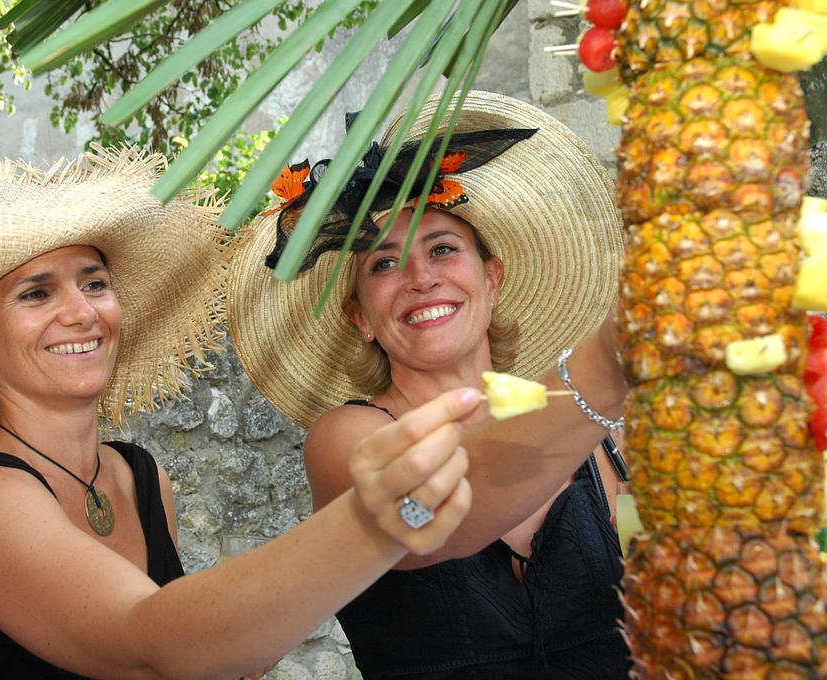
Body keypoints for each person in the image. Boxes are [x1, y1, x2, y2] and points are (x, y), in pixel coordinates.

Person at [0, 144, 478, 679]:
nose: (82, 311)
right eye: (36, 292)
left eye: (95, 283)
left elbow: (185, 651)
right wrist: (369, 524)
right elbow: (151, 642)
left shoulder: (139, 475)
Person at [229, 91, 632, 678]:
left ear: (491, 279)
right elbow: (430, 525)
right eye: (384, 265)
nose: (421, 278)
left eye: (442, 248)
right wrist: (603, 373)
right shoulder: (350, 437)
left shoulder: (591, 436)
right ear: (361, 317)